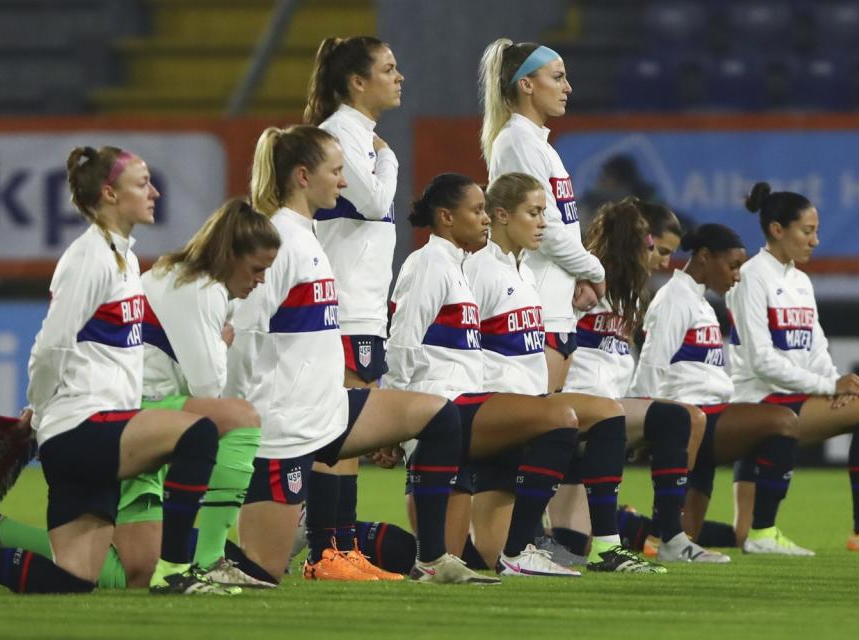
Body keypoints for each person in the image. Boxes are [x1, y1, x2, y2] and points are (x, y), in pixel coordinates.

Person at [226, 125, 496, 585]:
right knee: (258, 574)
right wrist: (238, 424)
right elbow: (243, 335)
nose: (345, 182)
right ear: (303, 176)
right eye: (337, 171)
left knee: (438, 417)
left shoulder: (308, 239)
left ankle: (432, 559)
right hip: (285, 426)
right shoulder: (280, 242)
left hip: (326, 409)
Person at [0, 198, 282, 589]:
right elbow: (209, 389)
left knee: (134, 573)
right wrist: (222, 345)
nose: (261, 279)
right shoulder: (199, 289)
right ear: (230, 255)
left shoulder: (181, 276)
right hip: (136, 417)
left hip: (138, 415)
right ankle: (206, 560)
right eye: (257, 268)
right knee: (240, 418)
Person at [387, 172, 596, 578]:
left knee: (444, 560)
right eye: (477, 210)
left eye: (485, 210)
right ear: (447, 217)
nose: (485, 219)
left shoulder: (459, 267)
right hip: (440, 406)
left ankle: (508, 548)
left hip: (460, 408)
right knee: (558, 419)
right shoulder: (429, 262)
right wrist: (397, 420)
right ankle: (519, 550)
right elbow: (404, 342)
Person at [460, 172, 665, 574]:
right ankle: (520, 550)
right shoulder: (477, 270)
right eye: (534, 213)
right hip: (488, 407)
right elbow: (460, 348)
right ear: (502, 215)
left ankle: (604, 544)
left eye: (545, 213)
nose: (543, 223)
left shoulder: (525, 274)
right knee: (454, 553)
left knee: (606, 412)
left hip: (523, 408)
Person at [726, 182, 859, 553]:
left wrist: (834, 381)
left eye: (815, 232)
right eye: (807, 231)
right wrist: (828, 386)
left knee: (741, 537)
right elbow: (761, 361)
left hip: (791, 398)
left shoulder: (799, 280)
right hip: (757, 400)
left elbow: (816, 346)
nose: (815, 240)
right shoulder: (751, 276)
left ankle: (646, 531)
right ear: (777, 230)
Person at [557, 198, 725, 563]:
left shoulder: (631, 294)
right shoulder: (579, 280)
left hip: (608, 408)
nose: (665, 261)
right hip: (573, 403)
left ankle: (663, 534)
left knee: (571, 547)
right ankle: (658, 533)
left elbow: (616, 361)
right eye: (659, 249)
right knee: (570, 548)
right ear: (636, 239)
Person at [632, 223, 811, 555]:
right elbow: (652, 363)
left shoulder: (697, 300)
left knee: (681, 537)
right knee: (782, 422)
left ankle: (628, 525)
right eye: (732, 266)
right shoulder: (675, 298)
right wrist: (646, 417)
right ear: (703, 258)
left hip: (703, 416)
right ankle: (761, 533)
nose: (738, 276)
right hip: (690, 416)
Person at [301, 36, 404, 578]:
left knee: (350, 437)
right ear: (357, 82)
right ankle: (326, 552)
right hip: (342, 307)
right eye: (388, 69)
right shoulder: (343, 133)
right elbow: (374, 202)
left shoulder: (358, 135)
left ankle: (343, 549)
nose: (399, 76)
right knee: (336, 434)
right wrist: (389, 160)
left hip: (362, 307)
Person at [480, 37, 605, 393]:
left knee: (553, 430)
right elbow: (543, 227)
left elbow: (562, 224)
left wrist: (578, 273)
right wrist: (593, 269)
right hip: (538, 304)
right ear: (527, 85)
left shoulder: (539, 145)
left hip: (556, 303)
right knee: (545, 430)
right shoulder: (517, 141)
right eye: (558, 77)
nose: (568, 87)